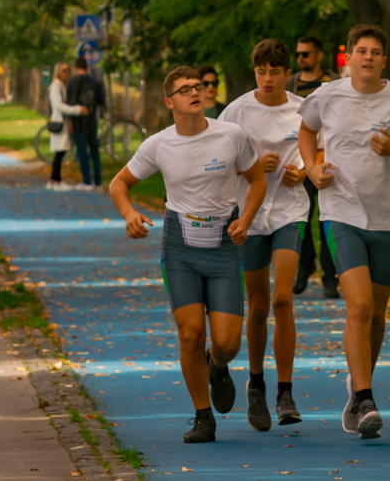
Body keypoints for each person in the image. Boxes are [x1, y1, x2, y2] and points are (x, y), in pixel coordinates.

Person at [109, 66, 267, 444]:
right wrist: (130, 214)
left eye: (198, 86)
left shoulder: (231, 135)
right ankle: (202, 417)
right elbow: (120, 183)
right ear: (170, 102)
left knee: (227, 342)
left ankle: (217, 365)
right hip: (179, 246)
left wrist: (246, 219)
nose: (194, 92)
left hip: (225, 243)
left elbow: (257, 179)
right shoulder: (158, 144)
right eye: (184, 89)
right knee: (190, 333)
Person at [297, 24, 390, 440]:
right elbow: (306, 130)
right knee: (357, 307)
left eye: (375, 52)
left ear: (384, 61)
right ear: (349, 58)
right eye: (361, 51)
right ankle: (365, 395)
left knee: (376, 312)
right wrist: (312, 167)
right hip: (341, 211)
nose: (368, 57)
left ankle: (358, 393)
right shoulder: (328, 95)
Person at [219, 39, 311, 430]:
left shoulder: (302, 109)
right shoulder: (237, 111)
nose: (268, 78)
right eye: (262, 71)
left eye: (275, 71)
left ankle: (285, 391)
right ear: (254, 71)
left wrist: (303, 170)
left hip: (291, 210)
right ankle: (256, 382)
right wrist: (252, 167)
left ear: (286, 72)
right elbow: (219, 163)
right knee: (257, 304)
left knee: (282, 298)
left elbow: (317, 151)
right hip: (252, 216)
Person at [286, 35, 340, 298]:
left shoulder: (336, 82)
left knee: (328, 219)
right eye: (298, 54)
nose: (301, 58)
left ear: (319, 54)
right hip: (300, 160)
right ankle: (305, 267)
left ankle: (331, 277)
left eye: (306, 54)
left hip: (330, 160)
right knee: (301, 218)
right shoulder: (291, 84)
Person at [66, 57, 106, 187]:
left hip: (78, 121)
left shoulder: (72, 81)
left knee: (82, 150)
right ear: (87, 67)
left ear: (75, 67)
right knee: (94, 151)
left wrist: (70, 122)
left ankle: (87, 180)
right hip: (91, 120)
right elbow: (101, 100)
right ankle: (98, 180)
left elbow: (70, 102)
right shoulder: (94, 81)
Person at [47, 62, 85, 187]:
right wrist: (76, 110)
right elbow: (58, 105)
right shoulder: (56, 86)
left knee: (60, 152)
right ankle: (55, 179)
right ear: (58, 72)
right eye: (63, 70)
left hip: (63, 121)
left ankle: (55, 179)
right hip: (59, 122)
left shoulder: (62, 85)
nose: (66, 72)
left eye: (68, 70)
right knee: (59, 152)